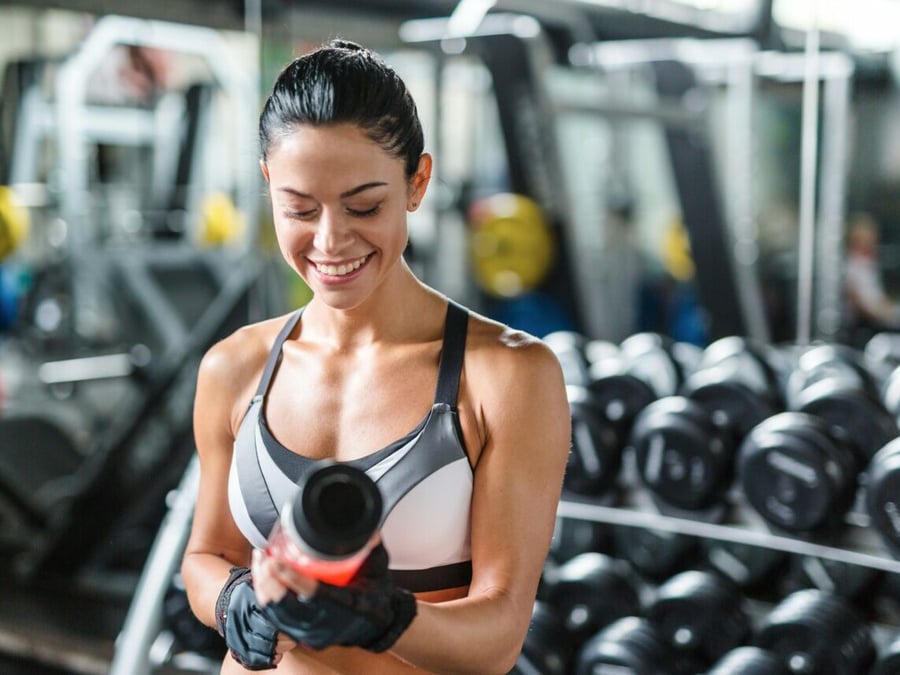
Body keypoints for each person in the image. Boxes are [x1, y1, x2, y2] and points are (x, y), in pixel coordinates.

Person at [180, 39, 571, 674]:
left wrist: (381, 617)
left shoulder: (505, 376)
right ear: (268, 185)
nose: (331, 241)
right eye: (300, 209)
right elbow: (206, 554)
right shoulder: (235, 366)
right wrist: (230, 601)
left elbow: (499, 634)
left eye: (365, 206)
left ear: (417, 182)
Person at [843, 212, 900, 343]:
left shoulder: (868, 265)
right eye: (866, 239)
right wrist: (890, 314)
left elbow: (877, 299)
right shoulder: (852, 268)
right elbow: (865, 309)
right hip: (864, 330)